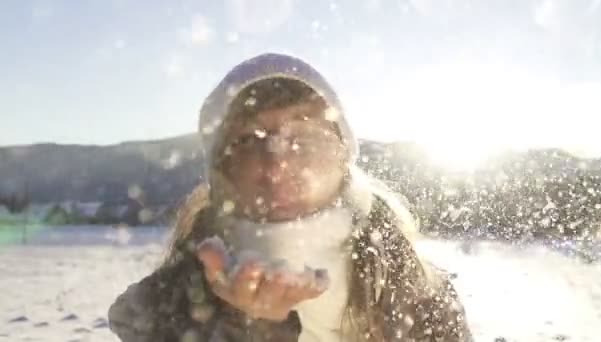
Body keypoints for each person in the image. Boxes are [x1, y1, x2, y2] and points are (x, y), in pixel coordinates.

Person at [108, 53, 473, 342]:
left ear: (343, 156)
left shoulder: (420, 294)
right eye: (248, 141)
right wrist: (252, 331)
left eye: (304, 136)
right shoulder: (165, 309)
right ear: (219, 172)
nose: (278, 164)